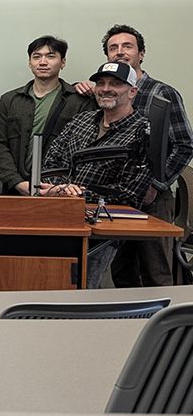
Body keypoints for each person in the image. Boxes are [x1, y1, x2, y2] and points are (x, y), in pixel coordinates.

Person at [94, 24, 193, 287]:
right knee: (121, 270)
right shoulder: (105, 92)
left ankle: (166, 327)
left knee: (155, 269)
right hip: (116, 198)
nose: (120, 52)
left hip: (153, 199)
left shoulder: (162, 93)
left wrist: (155, 185)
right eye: (113, 48)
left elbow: (184, 145)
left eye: (127, 46)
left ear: (141, 53)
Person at [42, 61, 151, 288]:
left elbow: (130, 194)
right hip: (60, 219)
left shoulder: (144, 132)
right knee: (49, 283)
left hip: (103, 231)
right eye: (100, 83)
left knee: (82, 288)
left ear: (133, 91)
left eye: (115, 84)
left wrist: (76, 193)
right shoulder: (81, 120)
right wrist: (60, 188)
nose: (105, 88)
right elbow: (51, 163)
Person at [0, 35, 92, 195]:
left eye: (51, 56)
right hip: (16, 188)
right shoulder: (9, 100)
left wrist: (60, 187)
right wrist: (16, 182)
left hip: (61, 189)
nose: (43, 62)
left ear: (63, 62)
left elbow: (85, 148)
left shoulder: (79, 101)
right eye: (36, 57)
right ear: (30, 63)